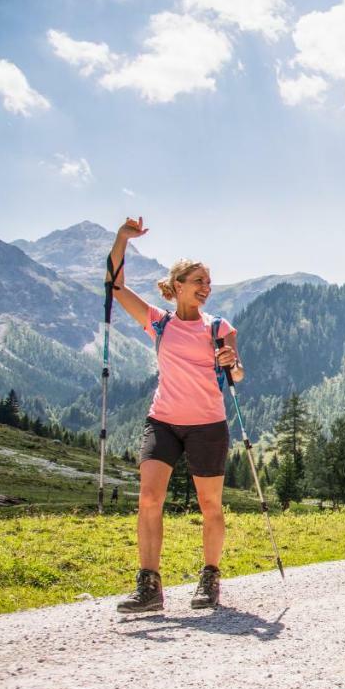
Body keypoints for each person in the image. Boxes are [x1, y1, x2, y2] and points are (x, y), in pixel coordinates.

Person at [107, 217, 243, 613]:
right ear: (178, 285)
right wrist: (121, 239)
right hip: (163, 420)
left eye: (208, 283)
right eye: (198, 281)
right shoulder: (159, 322)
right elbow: (115, 287)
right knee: (149, 499)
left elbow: (237, 374)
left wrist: (230, 362)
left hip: (207, 425)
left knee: (210, 504)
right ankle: (149, 586)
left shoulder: (219, 327)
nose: (205, 288)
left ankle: (210, 578)